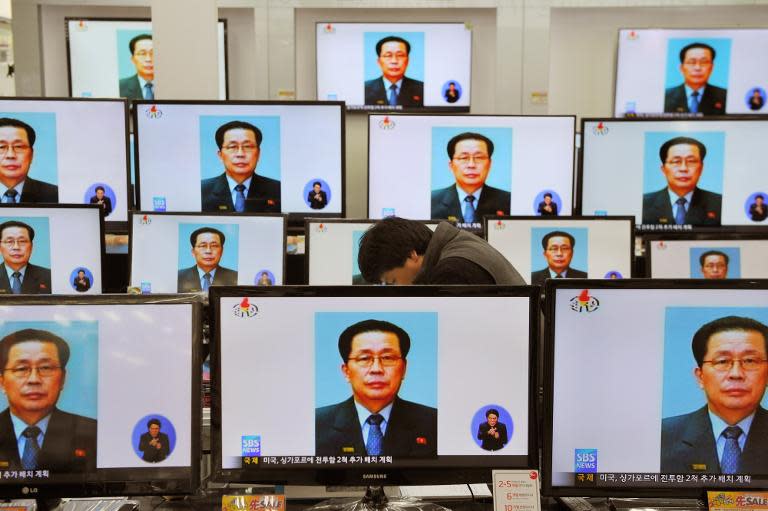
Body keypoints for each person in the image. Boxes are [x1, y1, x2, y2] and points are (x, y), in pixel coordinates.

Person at [660, 316, 768, 474]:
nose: (736, 374)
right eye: (722, 361)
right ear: (700, 376)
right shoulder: (663, 436)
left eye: (750, 360)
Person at [315, 319, 436, 456]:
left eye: (388, 357)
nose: (376, 369)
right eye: (364, 358)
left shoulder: (434, 423)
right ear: (346, 371)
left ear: (403, 369)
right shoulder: (316, 424)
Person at [0, 328, 97, 471]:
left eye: (45, 367)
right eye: (21, 369)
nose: (34, 379)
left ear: (63, 378)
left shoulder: (92, 433)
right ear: (2, 381)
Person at [358, 216, 525, 285]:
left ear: (412, 254)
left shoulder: (452, 272)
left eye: (392, 281)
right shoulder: (457, 244)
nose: (396, 289)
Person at [201, 121, 281, 213]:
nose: (240, 154)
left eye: (247, 146)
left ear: (258, 154)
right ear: (220, 155)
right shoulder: (202, 190)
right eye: (232, 147)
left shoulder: (278, 190)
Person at [431, 132, 511, 222]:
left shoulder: (508, 201)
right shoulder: (432, 200)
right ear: (451, 165)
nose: (471, 165)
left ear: (489, 164)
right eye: (464, 158)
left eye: (479, 157)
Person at [642, 136, 722, 226]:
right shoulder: (644, 204)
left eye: (691, 161)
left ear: (701, 168)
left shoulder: (719, 204)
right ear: (663, 169)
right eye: (676, 161)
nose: (683, 168)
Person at [0, 118, 58, 204]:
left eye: (18, 146)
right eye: (1, 147)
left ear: (31, 155)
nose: (10, 155)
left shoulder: (54, 194)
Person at [664, 42, 727, 115]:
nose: (698, 68)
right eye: (691, 62)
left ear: (711, 68)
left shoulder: (724, 96)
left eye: (704, 62)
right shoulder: (666, 96)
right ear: (681, 68)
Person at [364, 36, 424, 107]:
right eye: (388, 55)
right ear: (379, 61)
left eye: (400, 55)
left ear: (407, 61)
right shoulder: (365, 88)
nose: (394, 61)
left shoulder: (422, 89)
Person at [177, 227, 238, 292]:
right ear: (193, 252)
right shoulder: (179, 277)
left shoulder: (235, 277)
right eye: (203, 246)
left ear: (222, 251)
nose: (208, 251)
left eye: (214, 246)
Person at [0, 221, 51, 294]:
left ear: (31, 246)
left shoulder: (49, 276)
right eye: (9, 241)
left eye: (22, 241)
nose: (16, 247)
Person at [119, 34, 154, 100]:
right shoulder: (120, 86)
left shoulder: (171, 86)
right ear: (133, 59)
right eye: (142, 54)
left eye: (153, 53)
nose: (148, 59)